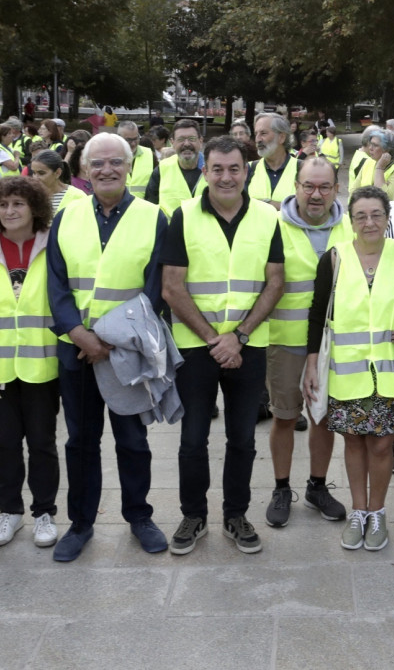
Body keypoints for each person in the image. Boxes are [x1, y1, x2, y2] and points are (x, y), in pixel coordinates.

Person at [47, 133, 169, 562]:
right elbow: (56, 283)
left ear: (130, 166)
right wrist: (78, 334)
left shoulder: (155, 218)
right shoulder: (66, 216)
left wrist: (111, 341)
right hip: (76, 350)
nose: (106, 170)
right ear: (83, 167)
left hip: (127, 353)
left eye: (116, 162)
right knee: (80, 440)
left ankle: (139, 516)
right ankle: (80, 524)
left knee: (132, 440)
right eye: (97, 163)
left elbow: (156, 290)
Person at [162, 136, 285, 556]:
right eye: (217, 169)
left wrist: (241, 336)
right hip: (197, 347)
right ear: (205, 170)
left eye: (234, 168)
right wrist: (217, 339)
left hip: (248, 346)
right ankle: (193, 515)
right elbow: (172, 287)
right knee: (193, 438)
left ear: (246, 171)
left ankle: (236, 514)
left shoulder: (268, 218)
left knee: (243, 439)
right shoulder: (183, 216)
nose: (226, 176)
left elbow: (275, 282)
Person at [302, 185, 394, 552]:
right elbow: (318, 314)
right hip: (347, 373)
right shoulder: (333, 258)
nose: (369, 222)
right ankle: (358, 511)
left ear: (387, 218)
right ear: (350, 220)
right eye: (361, 216)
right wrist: (312, 363)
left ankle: (377, 512)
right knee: (352, 441)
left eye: (376, 215)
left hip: (389, 372)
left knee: (382, 445)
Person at [263, 158, 351, 529]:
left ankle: (317, 486)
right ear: (296, 186)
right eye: (308, 186)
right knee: (284, 417)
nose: (316, 195)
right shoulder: (271, 226)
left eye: (324, 187)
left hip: (337, 345)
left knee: (324, 418)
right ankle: (281, 488)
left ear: (336, 188)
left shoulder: (352, 225)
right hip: (287, 342)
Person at [0, 177, 62, 549]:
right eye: (3, 205)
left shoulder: (52, 245)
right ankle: (9, 511)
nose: (9, 211)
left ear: (34, 208)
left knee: (42, 442)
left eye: (18, 204)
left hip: (42, 364)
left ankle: (44, 511)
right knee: (6, 443)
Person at [144, 119, 205, 217]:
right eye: (180, 139)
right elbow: (150, 208)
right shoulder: (161, 170)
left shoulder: (213, 169)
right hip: (170, 231)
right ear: (172, 143)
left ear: (200, 141)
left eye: (192, 139)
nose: (186, 144)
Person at [246, 114, 300, 207]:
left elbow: (310, 208)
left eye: (263, 133)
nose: (257, 139)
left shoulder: (303, 169)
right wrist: (288, 206)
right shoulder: (248, 169)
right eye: (256, 134)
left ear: (281, 137)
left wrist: (262, 204)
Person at [28, 149, 86, 215]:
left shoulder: (77, 196)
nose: (35, 178)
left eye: (41, 173)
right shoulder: (31, 196)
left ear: (58, 173)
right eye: (34, 173)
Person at [119, 121, 153, 199]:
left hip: (144, 207)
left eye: (136, 138)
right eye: (129, 140)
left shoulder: (150, 154)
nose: (133, 143)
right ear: (119, 138)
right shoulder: (109, 157)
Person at [372, 134, 394, 203]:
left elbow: (386, 198)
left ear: (387, 150)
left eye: (375, 145)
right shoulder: (369, 162)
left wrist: (379, 168)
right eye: (371, 144)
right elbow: (354, 189)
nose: (370, 148)